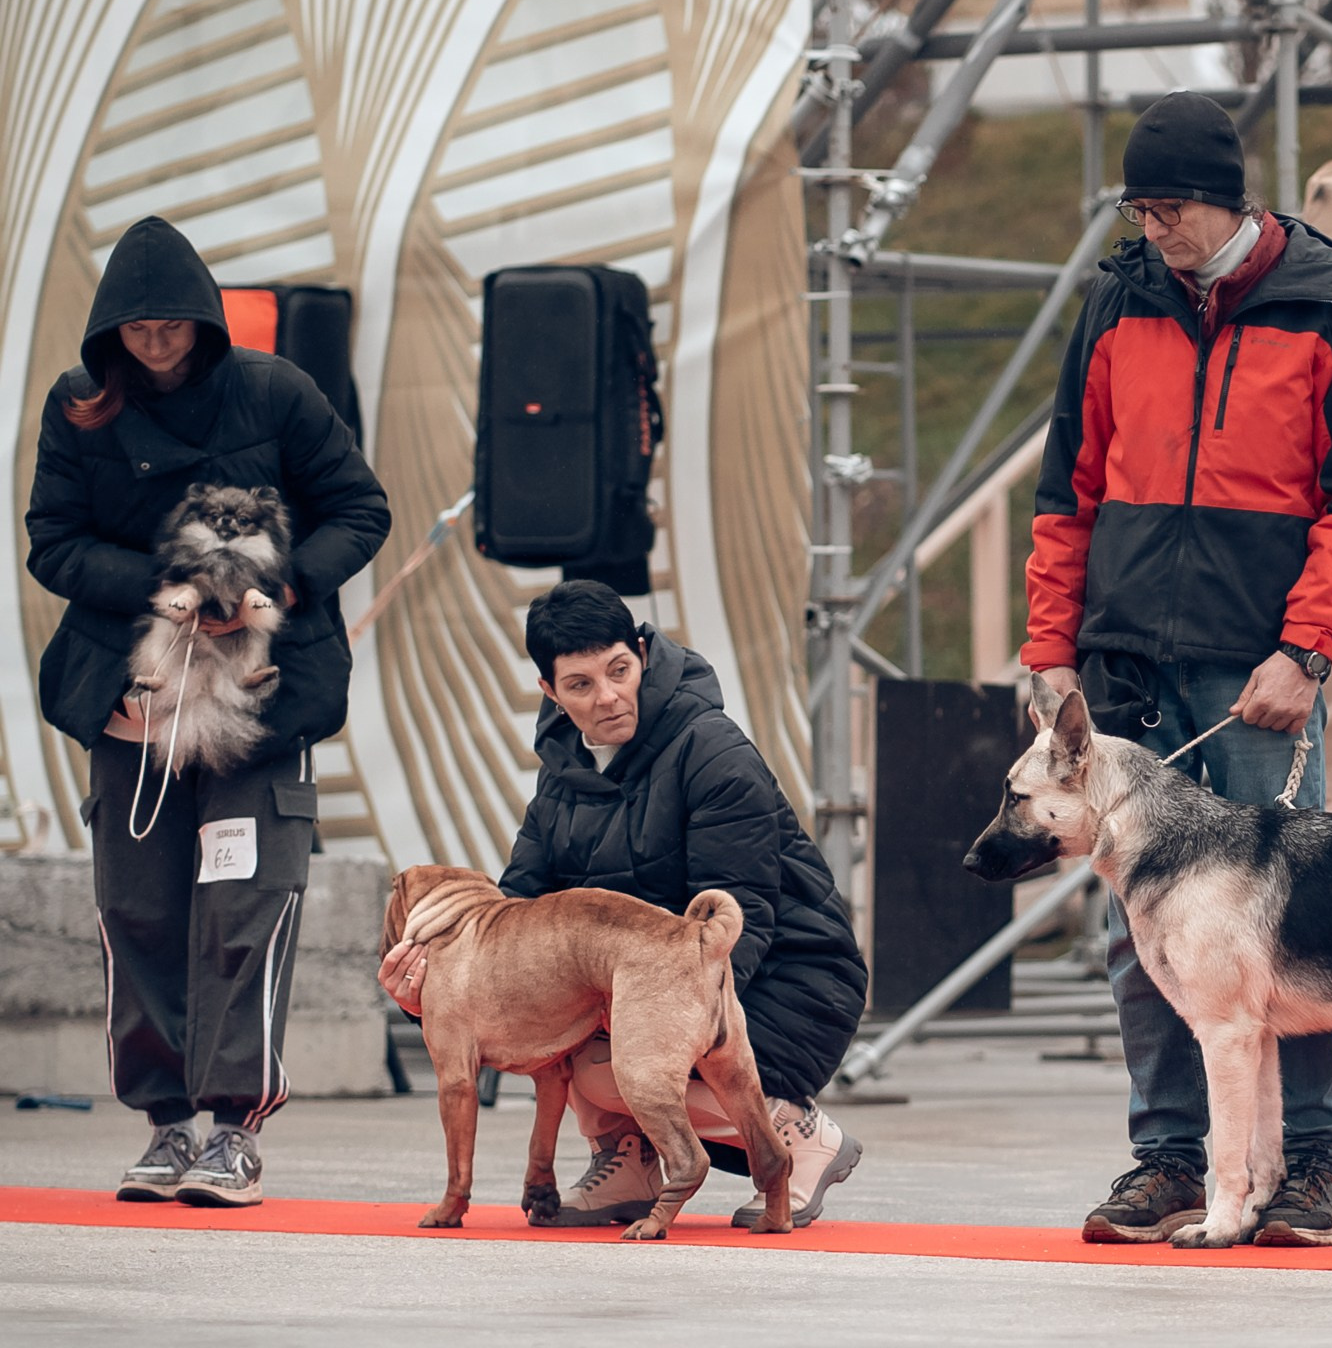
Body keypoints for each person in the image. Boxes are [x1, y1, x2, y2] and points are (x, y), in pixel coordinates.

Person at [1025, 89, 1332, 1247]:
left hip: (1259, 675)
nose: (1154, 229)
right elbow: (1065, 490)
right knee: (1141, 931)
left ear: (1228, 199)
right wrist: (1050, 647)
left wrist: (1307, 649)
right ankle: (1171, 1158)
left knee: (1296, 922)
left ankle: (1312, 1168)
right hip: (1125, 667)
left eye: (1171, 207)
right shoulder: (1115, 299)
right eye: (1138, 209)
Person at [27, 215, 391, 1207]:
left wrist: (277, 588)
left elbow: (361, 507)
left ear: (202, 320)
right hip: (134, 703)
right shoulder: (80, 406)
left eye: (171, 325)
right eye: (136, 328)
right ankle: (163, 1123)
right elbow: (50, 543)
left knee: (246, 902)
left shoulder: (274, 389)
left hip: (260, 698)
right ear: (110, 329)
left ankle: (233, 1127)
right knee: (135, 907)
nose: (155, 343)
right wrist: (172, 581)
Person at [380, 581, 870, 1227]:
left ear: (642, 652)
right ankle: (630, 1156)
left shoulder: (712, 749)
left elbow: (747, 903)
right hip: (641, 978)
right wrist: (438, 979)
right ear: (549, 690)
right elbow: (518, 909)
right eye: (580, 685)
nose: (608, 697)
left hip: (789, 976)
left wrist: (674, 1009)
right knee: (558, 1026)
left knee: (611, 1069)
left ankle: (798, 1133)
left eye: (619, 670)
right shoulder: (561, 772)